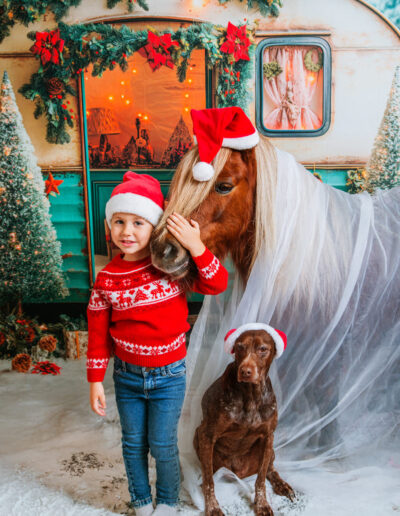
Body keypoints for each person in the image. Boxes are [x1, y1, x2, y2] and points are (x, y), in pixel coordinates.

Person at [86, 171, 228, 516]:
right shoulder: (106, 279)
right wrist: (94, 381)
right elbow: (97, 333)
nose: (127, 231)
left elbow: (217, 284)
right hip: (127, 376)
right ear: (109, 226)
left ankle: (166, 500)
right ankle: (140, 499)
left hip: (169, 375)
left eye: (138, 222)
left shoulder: (172, 266)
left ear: (154, 227)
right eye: (119, 221)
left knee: (163, 444)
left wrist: (196, 247)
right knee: (133, 443)